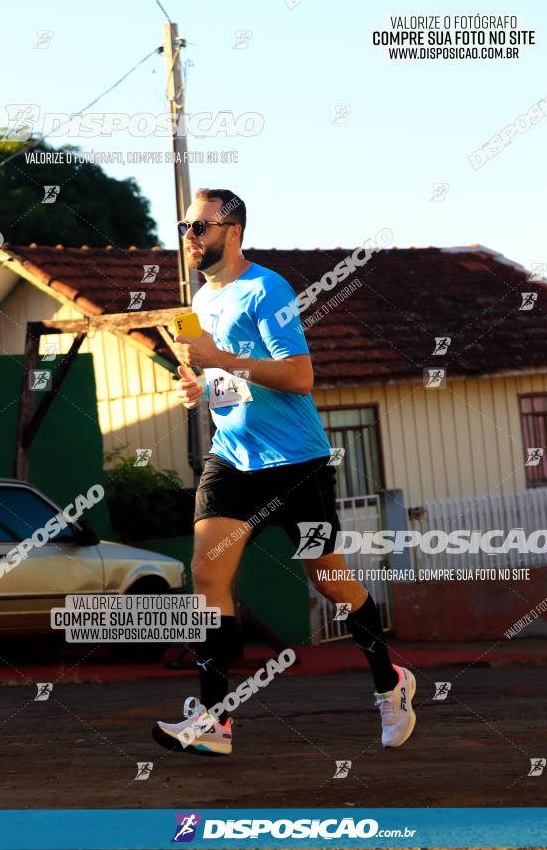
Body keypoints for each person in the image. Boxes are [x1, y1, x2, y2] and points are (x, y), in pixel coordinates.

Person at [152, 188, 416, 756]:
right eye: (184, 226)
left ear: (234, 229)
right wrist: (202, 388)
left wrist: (218, 360)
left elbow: (299, 377)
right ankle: (214, 720)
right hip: (233, 460)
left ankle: (390, 683)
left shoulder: (267, 289)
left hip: (298, 466)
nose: (190, 237)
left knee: (328, 581)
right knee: (207, 578)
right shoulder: (200, 300)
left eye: (200, 226)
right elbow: (234, 387)